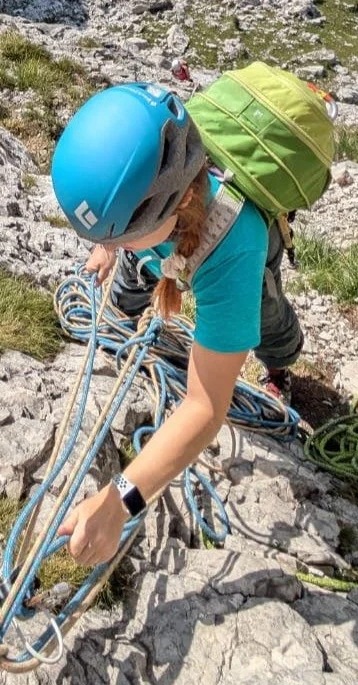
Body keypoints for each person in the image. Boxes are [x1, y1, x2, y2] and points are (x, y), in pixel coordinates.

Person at [49, 81, 304, 568]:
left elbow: (205, 408)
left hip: (236, 250)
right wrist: (109, 242)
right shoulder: (144, 207)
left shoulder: (236, 248)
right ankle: (126, 310)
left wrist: (118, 503)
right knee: (131, 281)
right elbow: (130, 225)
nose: (115, 241)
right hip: (161, 239)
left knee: (268, 322)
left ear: (163, 206)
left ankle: (282, 366)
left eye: (120, 233)